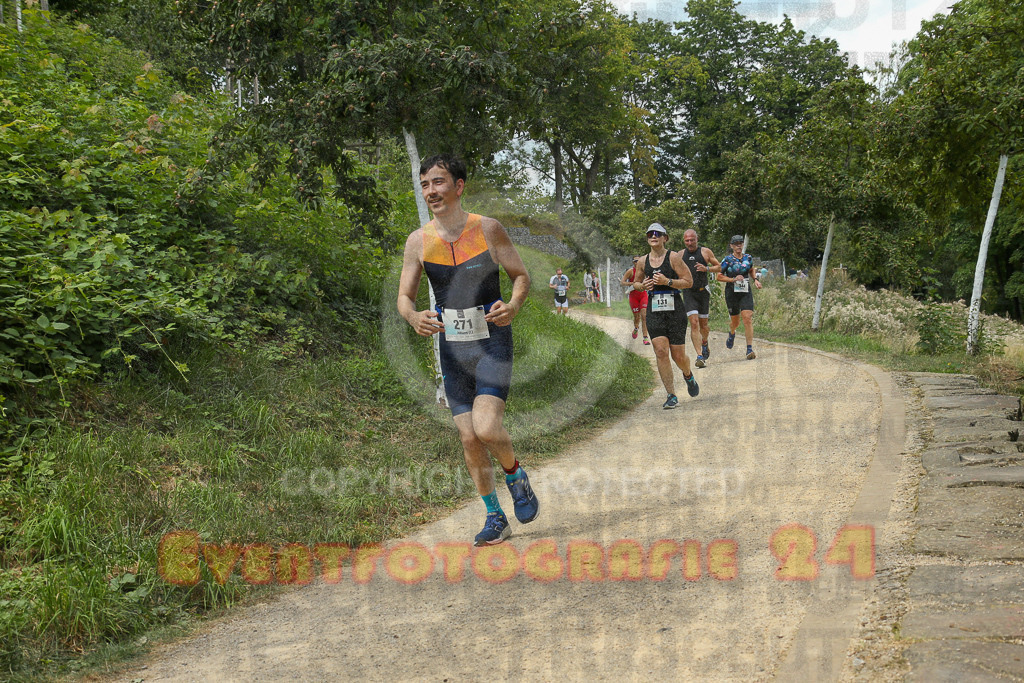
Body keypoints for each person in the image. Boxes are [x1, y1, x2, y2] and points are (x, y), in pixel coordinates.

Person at [397, 154, 539, 546]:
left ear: (459, 186)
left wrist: (512, 305)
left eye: (439, 182)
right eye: (426, 184)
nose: (431, 191)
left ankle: (516, 476)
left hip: (492, 339)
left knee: (487, 427)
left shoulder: (488, 230)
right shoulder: (419, 241)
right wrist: (413, 318)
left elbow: (521, 276)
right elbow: (404, 299)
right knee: (468, 438)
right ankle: (495, 516)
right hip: (453, 349)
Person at [631, 223, 699, 409]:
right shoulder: (643, 261)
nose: (653, 236)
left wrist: (667, 281)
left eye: (657, 234)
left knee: (678, 356)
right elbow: (635, 283)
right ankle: (671, 395)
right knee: (661, 351)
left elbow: (689, 281)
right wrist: (642, 285)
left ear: (664, 238)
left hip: (675, 309)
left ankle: (688, 374)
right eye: (650, 234)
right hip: (654, 310)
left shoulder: (674, 257)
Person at [680, 229, 721, 369]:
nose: (690, 243)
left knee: (704, 325)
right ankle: (699, 356)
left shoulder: (705, 252)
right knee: (694, 322)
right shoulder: (680, 255)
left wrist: (707, 269)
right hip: (688, 292)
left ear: (697, 239)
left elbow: (719, 267)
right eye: (687, 240)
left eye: (692, 240)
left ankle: (704, 342)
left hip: (703, 292)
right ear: (684, 241)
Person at [717, 234, 762, 360]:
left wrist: (756, 280)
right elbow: (719, 276)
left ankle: (749, 349)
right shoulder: (727, 260)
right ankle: (732, 333)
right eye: (735, 244)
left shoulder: (748, 257)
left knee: (747, 318)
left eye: (740, 243)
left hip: (745, 290)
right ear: (731, 246)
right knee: (735, 322)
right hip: (732, 292)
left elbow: (751, 269)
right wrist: (732, 279)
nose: (738, 246)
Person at [620, 257, 650, 345]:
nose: (638, 263)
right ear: (633, 263)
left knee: (644, 315)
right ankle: (636, 328)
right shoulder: (630, 271)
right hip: (633, 296)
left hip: (643, 295)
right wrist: (632, 284)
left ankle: (645, 337)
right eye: (636, 261)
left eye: (639, 261)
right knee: (637, 317)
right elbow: (622, 283)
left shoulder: (644, 271)